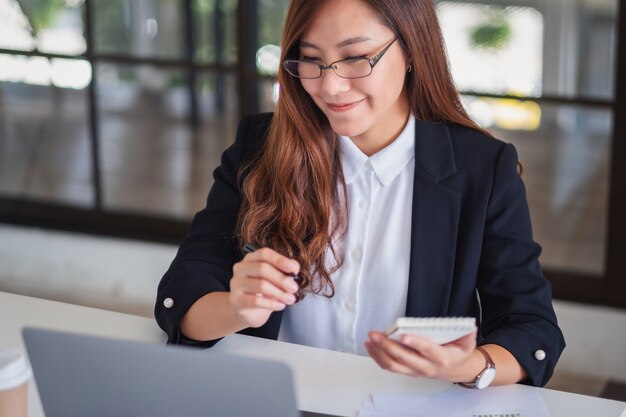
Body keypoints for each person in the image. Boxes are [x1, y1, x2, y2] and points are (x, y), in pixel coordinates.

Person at [155, 0, 565, 388]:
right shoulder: (259, 146)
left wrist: (468, 365)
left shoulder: (483, 167)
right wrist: (234, 308)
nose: (330, 86)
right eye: (312, 60)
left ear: (411, 52)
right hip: (276, 399)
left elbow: (532, 328)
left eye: (355, 58)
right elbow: (181, 296)